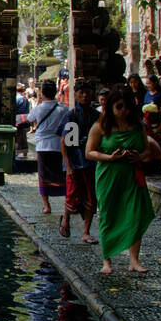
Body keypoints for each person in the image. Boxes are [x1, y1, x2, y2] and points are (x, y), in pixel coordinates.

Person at [86, 86, 154, 274]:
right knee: (108, 215)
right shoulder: (101, 126)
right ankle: (107, 260)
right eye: (119, 107)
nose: (124, 111)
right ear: (111, 107)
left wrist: (138, 157)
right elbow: (89, 152)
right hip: (108, 175)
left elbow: (148, 150)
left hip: (132, 174)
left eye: (127, 107)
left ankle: (134, 260)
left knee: (135, 214)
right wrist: (110, 158)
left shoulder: (138, 125)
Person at [60, 79, 99, 244]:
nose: (84, 95)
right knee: (72, 195)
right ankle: (66, 220)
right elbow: (66, 142)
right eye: (81, 92)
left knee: (91, 196)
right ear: (75, 94)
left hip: (92, 161)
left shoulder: (97, 116)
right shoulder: (72, 115)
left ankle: (86, 231)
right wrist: (68, 165)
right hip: (76, 160)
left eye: (87, 92)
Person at [28, 79, 70, 214]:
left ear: (43, 93)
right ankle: (66, 205)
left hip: (42, 146)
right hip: (59, 146)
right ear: (55, 92)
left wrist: (39, 103)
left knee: (43, 177)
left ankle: (47, 206)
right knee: (61, 176)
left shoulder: (38, 108)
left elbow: (29, 118)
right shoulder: (63, 108)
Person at [14, 84, 30, 158]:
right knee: (23, 138)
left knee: (16, 139)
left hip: (17, 120)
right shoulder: (24, 99)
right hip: (24, 120)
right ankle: (25, 155)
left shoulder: (16, 98)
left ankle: (16, 154)